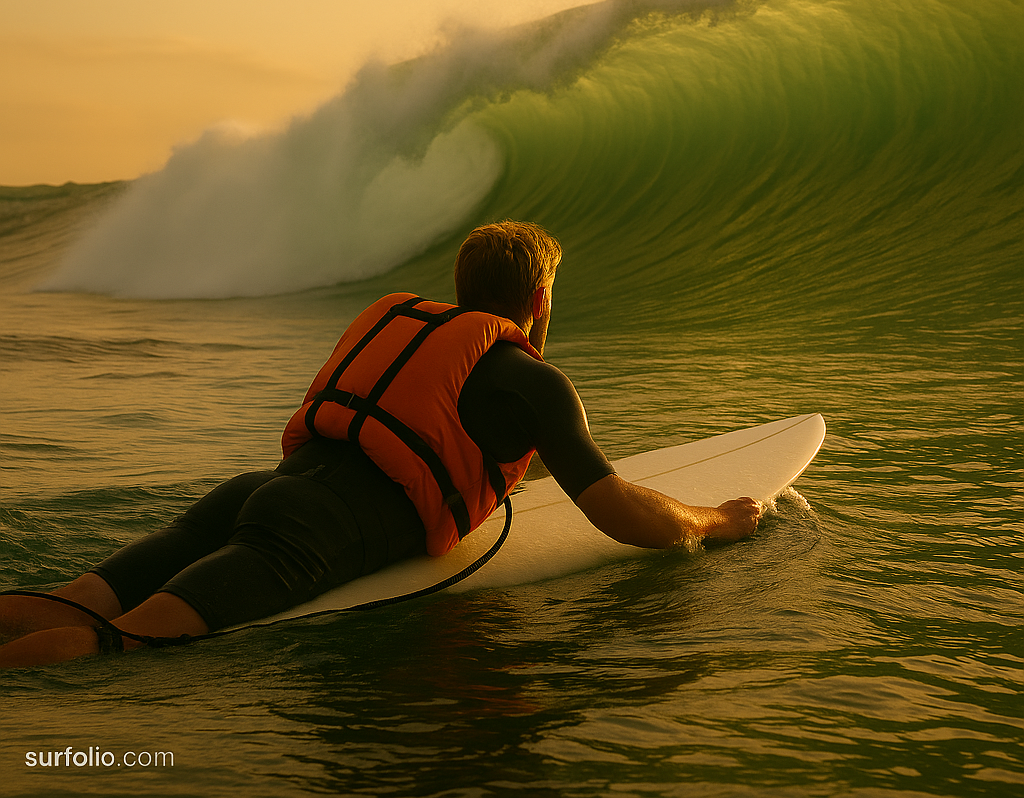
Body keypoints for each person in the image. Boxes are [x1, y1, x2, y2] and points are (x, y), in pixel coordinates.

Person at [0, 221, 761, 667]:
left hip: (252, 494)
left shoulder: (418, 329)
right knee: (122, 643)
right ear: (539, 300)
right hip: (318, 530)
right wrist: (715, 521)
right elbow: (618, 510)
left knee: (72, 599)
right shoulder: (532, 383)